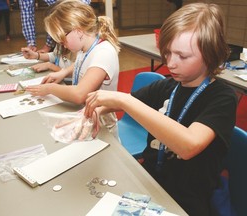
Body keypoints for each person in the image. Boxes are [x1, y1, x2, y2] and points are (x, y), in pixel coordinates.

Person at [84, 3, 237, 216]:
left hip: (187, 200)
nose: (170, 63)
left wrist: (125, 101)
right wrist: (92, 112)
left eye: (183, 56)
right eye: (167, 53)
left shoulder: (222, 98)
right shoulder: (166, 86)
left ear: (211, 55)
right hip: (150, 183)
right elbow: (110, 103)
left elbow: (188, 145)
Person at [25, 0, 120, 106]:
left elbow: (79, 95)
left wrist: (50, 88)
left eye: (62, 40)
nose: (62, 44)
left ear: (78, 32)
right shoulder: (85, 48)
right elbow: (82, 63)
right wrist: (64, 72)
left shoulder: (103, 52)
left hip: (100, 120)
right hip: (83, 113)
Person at [18, 0, 91, 52]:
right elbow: (26, 14)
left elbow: (80, 6)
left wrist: (49, 44)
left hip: (76, 18)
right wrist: (31, 43)